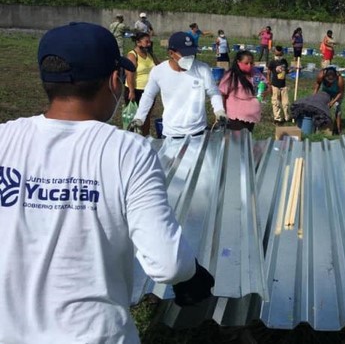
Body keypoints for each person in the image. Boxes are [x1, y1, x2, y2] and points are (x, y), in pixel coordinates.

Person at [0, 22, 214, 343]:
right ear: (115, 81)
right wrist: (190, 275)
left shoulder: (5, 140)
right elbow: (168, 263)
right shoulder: (129, 152)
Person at [131, 32, 226, 138]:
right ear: (171, 53)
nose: (190, 58)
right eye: (185, 55)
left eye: (192, 54)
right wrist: (139, 117)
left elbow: (213, 92)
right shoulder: (159, 71)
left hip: (198, 132)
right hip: (171, 133)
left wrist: (219, 111)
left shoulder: (203, 69)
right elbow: (148, 95)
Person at [219, 50, 263, 132]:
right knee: (237, 142)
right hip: (236, 118)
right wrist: (222, 111)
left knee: (246, 140)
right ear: (238, 62)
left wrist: (263, 91)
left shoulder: (256, 73)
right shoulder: (231, 76)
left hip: (251, 117)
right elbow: (222, 94)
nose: (249, 65)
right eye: (246, 63)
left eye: (251, 63)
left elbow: (265, 85)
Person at [125, 32, 157, 136]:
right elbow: (129, 74)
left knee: (147, 115)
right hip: (136, 90)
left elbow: (159, 66)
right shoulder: (132, 55)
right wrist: (131, 91)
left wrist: (152, 53)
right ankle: (133, 137)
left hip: (149, 91)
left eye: (150, 42)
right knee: (136, 117)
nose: (149, 44)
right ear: (138, 42)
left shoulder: (149, 54)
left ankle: (145, 136)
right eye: (146, 42)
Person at [314, 66, 345, 134]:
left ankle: (338, 129)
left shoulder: (340, 80)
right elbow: (318, 84)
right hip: (326, 92)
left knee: (337, 109)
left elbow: (340, 93)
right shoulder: (321, 75)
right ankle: (321, 125)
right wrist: (315, 94)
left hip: (337, 93)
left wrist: (333, 102)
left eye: (332, 81)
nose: (330, 82)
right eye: (328, 80)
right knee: (321, 106)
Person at [267, 46, 291, 124]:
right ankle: (277, 118)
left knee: (286, 103)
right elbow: (268, 72)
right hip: (275, 85)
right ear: (275, 53)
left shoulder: (284, 61)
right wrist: (269, 83)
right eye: (277, 55)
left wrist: (294, 69)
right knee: (276, 102)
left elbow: (287, 71)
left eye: (280, 55)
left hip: (283, 85)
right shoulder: (272, 62)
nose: (279, 56)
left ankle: (287, 117)